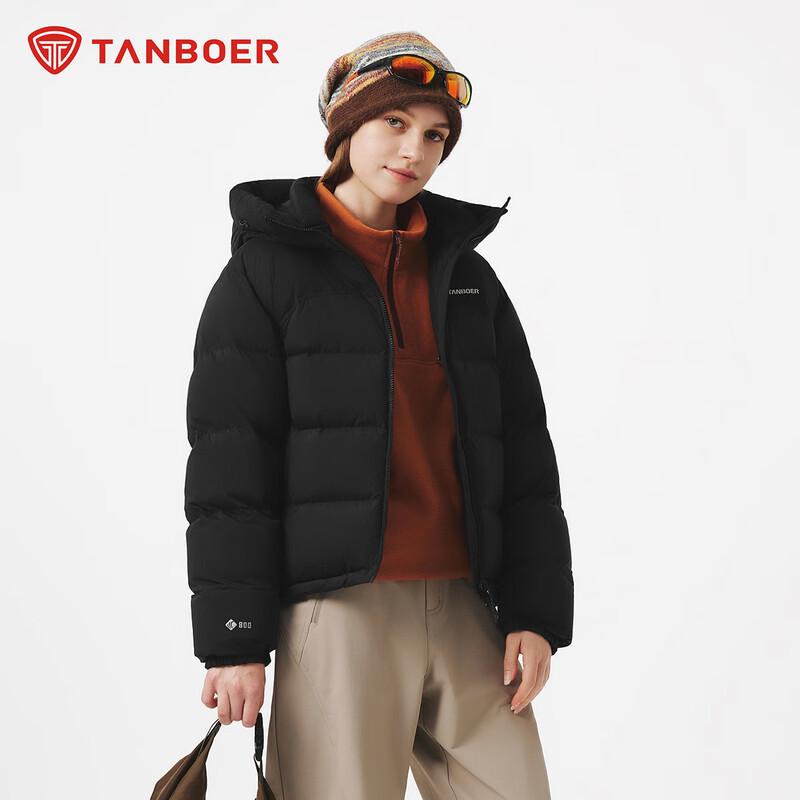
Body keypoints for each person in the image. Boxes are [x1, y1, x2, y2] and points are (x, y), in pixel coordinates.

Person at [184, 30, 574, 799]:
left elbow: (526, 454)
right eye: (395, 122)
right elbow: (231, 471)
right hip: (340, 613)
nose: (414, 151)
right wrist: (235, 641)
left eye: (435, 136)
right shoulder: (263, 275)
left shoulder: (467, 278)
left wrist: (534, 612)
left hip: (466, 605)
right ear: (346, 127)